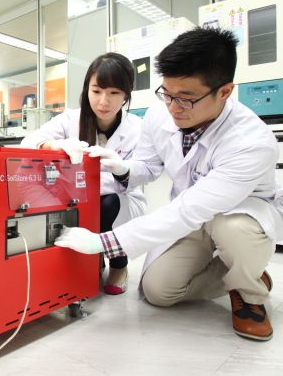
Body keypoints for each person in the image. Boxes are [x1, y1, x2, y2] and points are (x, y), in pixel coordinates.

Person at [55, 27, 282, 341]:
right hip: (191, 214)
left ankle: (249, 291)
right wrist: (123, 167)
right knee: (159, 291)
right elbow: (148, 169)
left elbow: (191, 209)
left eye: (186, 99)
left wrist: (102, 243)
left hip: (239, 214)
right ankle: (239, 273)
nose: (173, 107)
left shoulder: (252, 143)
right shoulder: (158, 116)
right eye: (167, 94)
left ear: (225, 92)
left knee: (234, 231)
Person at [21, 52, 146, 295]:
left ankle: (118, 265)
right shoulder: (71, 119)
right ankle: (90, 259)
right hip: (75, 198)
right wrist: (53, 146)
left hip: (118, 200)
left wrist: (119, 170)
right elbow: (30, 141)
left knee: (107, 203)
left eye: (114, 93)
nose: (103, 102)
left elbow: (136, 177)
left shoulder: (137, 129)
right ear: (87, 88)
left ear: (127, 93)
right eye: (96, 91)